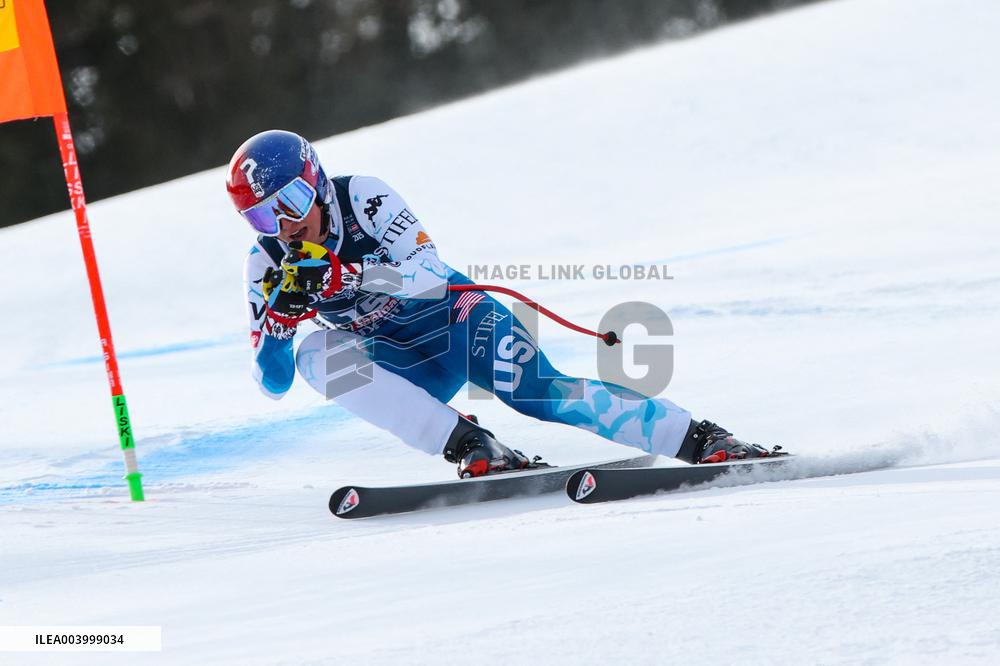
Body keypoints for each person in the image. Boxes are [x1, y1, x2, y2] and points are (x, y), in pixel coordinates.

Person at [227, 129, 772, 478]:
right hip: (408, 365)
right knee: (314, 355)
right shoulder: (266, 264)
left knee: (536, 393)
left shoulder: (362, 197)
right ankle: (469, 443)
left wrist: (352, 273)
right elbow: (272, 384)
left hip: (454, 321)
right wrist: (277, 325)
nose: (287, 226)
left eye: (293, 202)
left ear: (316, 182)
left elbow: (430, 276)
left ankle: (699, 438)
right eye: (262, 217)